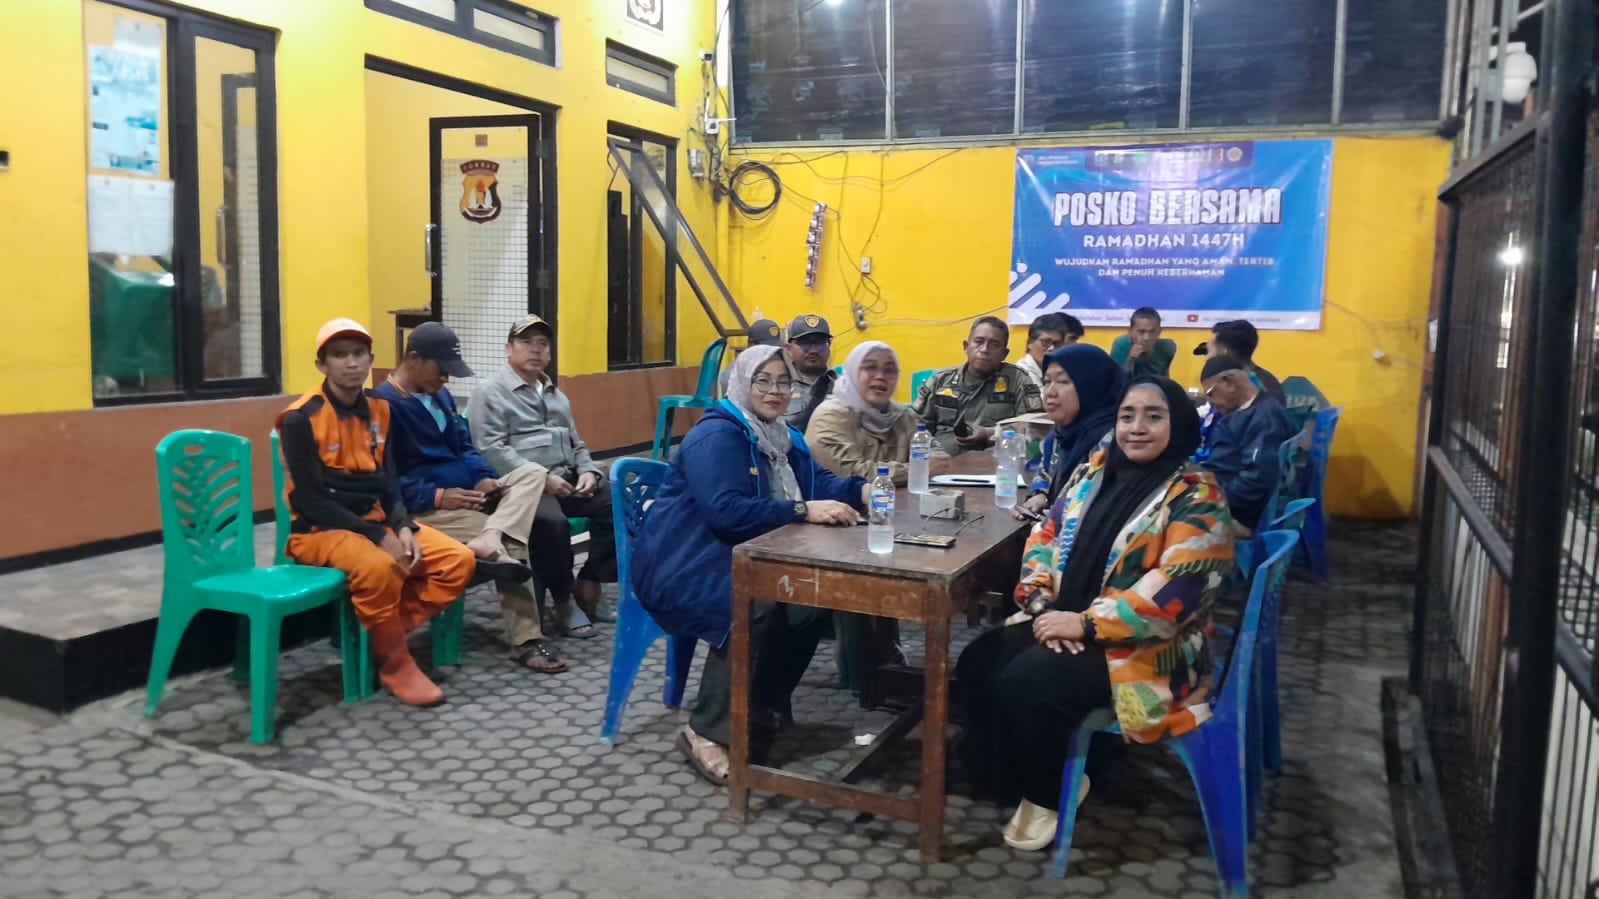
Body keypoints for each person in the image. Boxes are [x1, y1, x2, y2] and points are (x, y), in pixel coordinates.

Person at [954, 375, 1235, 851]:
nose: (1137, 427)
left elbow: (1177, 593)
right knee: (978, 661)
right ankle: (1007, 775)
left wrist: (1085, 625)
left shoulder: (1198, 496)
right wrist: (1041, 604)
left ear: (1180, 425)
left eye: (1153, 416)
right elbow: (1045, 536)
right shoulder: (1094, 473)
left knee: (1031, 681)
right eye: (1127, 416)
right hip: (1061, 617)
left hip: (1148, 645)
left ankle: (1048, 792)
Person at [630, 345, 870, 785]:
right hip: (685, 562)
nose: (775, 391)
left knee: (811, 601)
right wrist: (801, 510)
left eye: (784, 382)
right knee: (755, 603)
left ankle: (759, 705)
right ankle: (705, 731)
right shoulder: (718, 436)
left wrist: (863, 490)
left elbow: (817, 481)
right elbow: (726, 512)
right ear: (741, 383)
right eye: (763, 380)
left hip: (738, 554)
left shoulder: (780, 435)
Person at [278, 318, 526, 707]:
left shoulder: (380, 409)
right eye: (339, 355)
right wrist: (380, 536)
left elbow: (389, 480)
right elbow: (312, 500)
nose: (351, 363)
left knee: (458, 561)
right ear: (321, 364)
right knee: (380, 567)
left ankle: (380, 636)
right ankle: (396, 664)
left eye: (358, 354)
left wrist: (402, 525)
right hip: (319, 531)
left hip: (378, 521)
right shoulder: (300, 418)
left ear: (371, 359)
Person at [376, 322, 565, 673]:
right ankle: (526, 640)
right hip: (428, 510)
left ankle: (490, 534)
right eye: (441, 369)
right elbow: (386, 479)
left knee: (532, 474)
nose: (446, 378)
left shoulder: (440, 396)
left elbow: (465, 447)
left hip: (471, 497)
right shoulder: (384, 406)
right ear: (413, 359)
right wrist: (438, 496)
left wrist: (482, 479)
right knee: (512, 539)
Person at [468, 315, 619, 638]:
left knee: (622, 503)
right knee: (552, 524)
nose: (535, 350)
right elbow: (490, 449)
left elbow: (577, 444)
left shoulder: (556, 395)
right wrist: (543, 479)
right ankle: (564, 601)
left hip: (568, 481)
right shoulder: (489, 392)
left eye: (542, 344)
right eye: (526, 342)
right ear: (508, 349)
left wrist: (589, 472)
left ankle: (589, 581)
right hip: (523, 489)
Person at [805, 340, 950, 485]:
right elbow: (849, 473)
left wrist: (934, 461)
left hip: (893, 497)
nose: (880, 376)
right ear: (853, 372)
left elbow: (936, 455)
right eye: (870, 367)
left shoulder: (903, 416)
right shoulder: (829, 416)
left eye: (889, 370)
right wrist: (918, 470)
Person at [1014, 344, 1125, 520]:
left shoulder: (1115, 443)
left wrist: (1053, 517)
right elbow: (1045, 473)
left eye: (1063, 382)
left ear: (1092, 386)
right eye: (1047, 382)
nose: (1049, 393)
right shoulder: (1059, 436)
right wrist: (1041, 495)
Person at [911, 316, 1043, 455]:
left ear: (1004, 354)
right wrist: (936, 452)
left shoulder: (1018, 380)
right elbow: (915, 425)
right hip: (941, 459)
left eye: (994, 345)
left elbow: (1035, 426)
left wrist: (990, 433)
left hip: (995, 460)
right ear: (966, 347)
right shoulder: (941, 380)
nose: (985, 349)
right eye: (979, 342)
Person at [1198, 354, 1298, 532]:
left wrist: (1211, 503)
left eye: (1211, 394)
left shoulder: (1264, 419)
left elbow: (1256, 480)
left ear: (1228, 382)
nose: (1210, 403)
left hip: (1237, 515)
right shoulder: (1257, 410)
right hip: (1221, 494)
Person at [1195, 319, 1285, 403]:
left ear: (1224, 351)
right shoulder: (1266, 381)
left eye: (1209, 351)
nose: (1207, 358)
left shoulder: (1240, 387)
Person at [785, 313, 836, 432]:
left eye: (820, 344)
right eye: (805, 343)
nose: (813, 351)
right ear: (789, 348)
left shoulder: (842, 386)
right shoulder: (778, 386)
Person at [717, 318, 784, 397]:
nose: (771, 353)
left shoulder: (776, 368)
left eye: (774, 348)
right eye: (765, 349)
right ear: (751, 345)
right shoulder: (733, 375)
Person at [1109, 307, 1177, 378]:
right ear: (1130, 332)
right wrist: (1131, 359)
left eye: (1152, 332)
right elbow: (1116, 380)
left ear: (1159, 332)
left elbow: (1165, 379)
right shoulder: (1121, 345)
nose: (1146, 338)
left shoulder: (1167, 348)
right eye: (1141, 332)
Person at [1014, 313, 1076, 388]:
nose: (1051, 348)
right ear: (1030, 343)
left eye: (1056, 343)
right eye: (1046, 342)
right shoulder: (1021, 371)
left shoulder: (1057, 368)